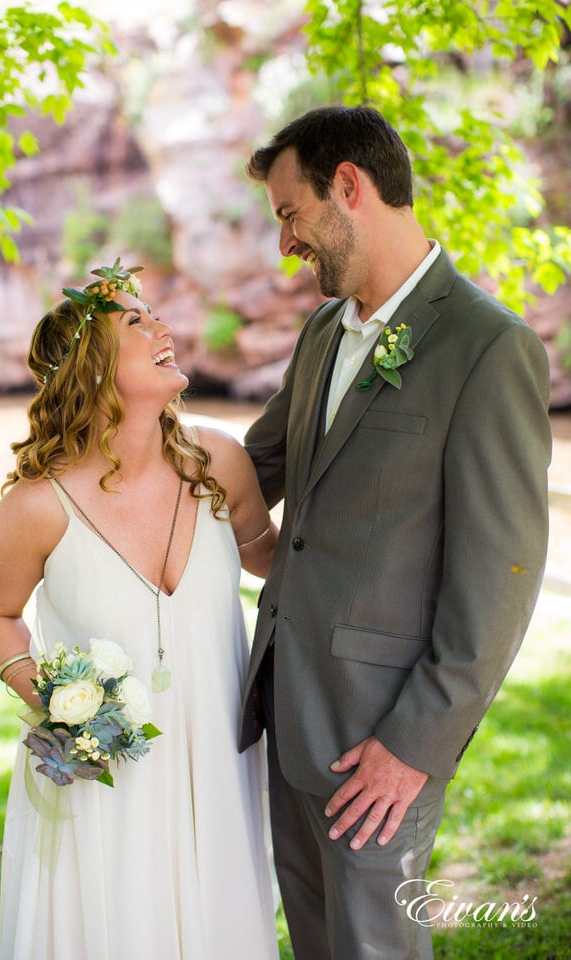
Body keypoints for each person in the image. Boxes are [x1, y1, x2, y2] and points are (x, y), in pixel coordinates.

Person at [238, 106, 551, 960]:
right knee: (314, 940)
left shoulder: (489, 349)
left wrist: (413, 747)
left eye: (290, 213)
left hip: (383, 743)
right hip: (289, 708)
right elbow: (251, 470)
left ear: (351, 186)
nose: (286, 244)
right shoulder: (321, 334)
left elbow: (503, 578)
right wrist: (99, 453)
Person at [0, 258, 280, 960]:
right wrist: (59, 706)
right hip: (102, 772)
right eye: (137, 322)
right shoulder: (35, 506)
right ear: (92, 367)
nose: (163, 327)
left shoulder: (219, 463)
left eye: (155, 313)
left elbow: (272, 555)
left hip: (215, 754)